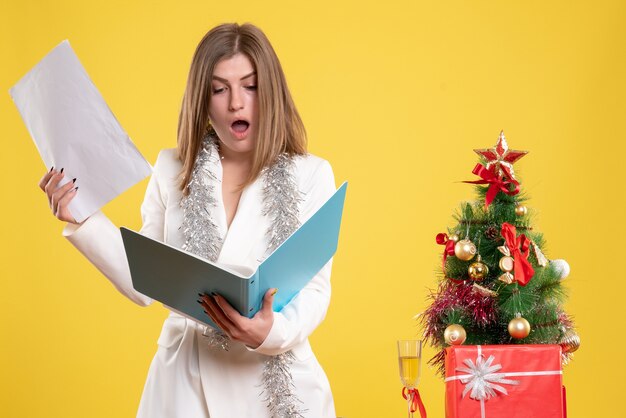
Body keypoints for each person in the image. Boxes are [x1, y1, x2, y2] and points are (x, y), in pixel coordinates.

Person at [38, 23, 337, 418]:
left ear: (272, 93)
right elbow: (145, 279)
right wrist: (84, 218)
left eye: (250, 86)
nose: (236, 103)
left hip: (277, 389)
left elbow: (314, 291)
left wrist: (271, 332)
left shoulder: (310, 175)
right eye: (219, 89)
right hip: (184, 387)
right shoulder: (172, 168)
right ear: (202, 98)